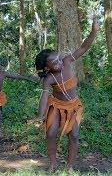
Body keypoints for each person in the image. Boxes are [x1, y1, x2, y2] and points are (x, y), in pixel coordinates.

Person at [33, 16, 98, 171]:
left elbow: (83, 48)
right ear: (47, 68)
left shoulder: (68, 61)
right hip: (56, 106)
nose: (59, 62)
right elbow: (44, 98)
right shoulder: (49, 78)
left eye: (58, 58)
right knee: (50, 133)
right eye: (54, 62)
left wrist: (93, 32)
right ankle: (53, 163)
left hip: (73, 106)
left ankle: (69, 167)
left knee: (74, 135)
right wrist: (40, 116)